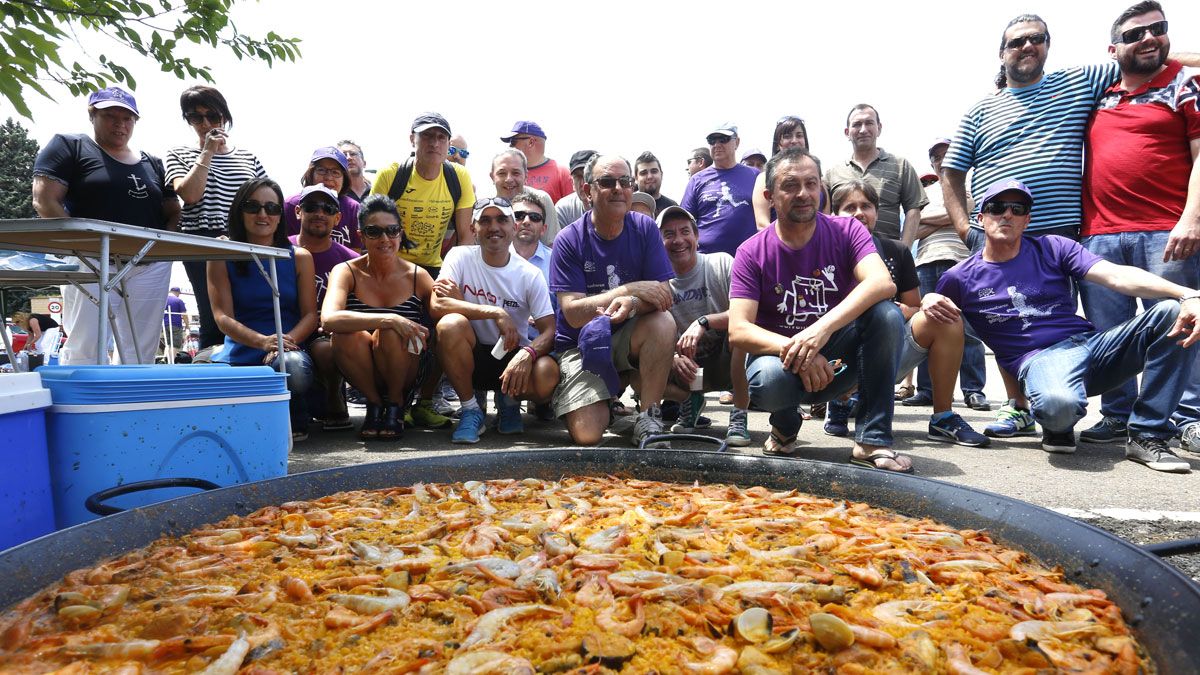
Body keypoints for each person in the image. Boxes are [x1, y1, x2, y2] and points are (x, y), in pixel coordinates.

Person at [938, 178, 1200, 473]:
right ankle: (1056, 422)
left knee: (1171, 311)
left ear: (1027, 220)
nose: (1006, 214)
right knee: (1058, 405)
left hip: (1090, 346)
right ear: (981, 218)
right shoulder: (958, 277)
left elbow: (1115, 275)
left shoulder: (1053, 247)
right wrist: (926, 303)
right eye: (997, 207)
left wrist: (1188, 294)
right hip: (1040, 361)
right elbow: (934, 326)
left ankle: (1147, 433)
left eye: (1017, 208)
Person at [728, 147, 913, 473]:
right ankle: (784, 426)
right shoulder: (751, 251)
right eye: (790, 185)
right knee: (768, 379)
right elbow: (738, 329)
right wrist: (800, 350)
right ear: (770, 196)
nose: (803, 193)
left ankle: (872, 438)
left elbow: (882, 283)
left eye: (811, 184)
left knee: (887, 314)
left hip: (839, 359)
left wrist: (820, 330)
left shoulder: (848, 230)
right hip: (781, 363)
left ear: (821, 189)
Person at [1080, 1, 1200, 449]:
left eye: (1158, 29)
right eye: (1134, 35)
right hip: (1099, 234)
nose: (1148, 38)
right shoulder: (1100, 92)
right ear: (1114, 48)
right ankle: (1117, 415)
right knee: (1111, 335)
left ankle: (1186, 417)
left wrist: (1192, 218)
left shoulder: (1184, 84)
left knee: (1181, 324)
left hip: (1167, 231)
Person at [825, 180, 988, 447]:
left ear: (877, 212)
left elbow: (914, 305)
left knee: (945, 316)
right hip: (840, 360)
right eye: (849, 207)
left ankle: (942, 417)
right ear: (834, 215)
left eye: (866, 205)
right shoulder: (824, 253)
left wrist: (906, 309)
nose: (859, 213)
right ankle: (839, 399)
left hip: (887, 349)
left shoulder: (896, 251)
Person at [32, 86, 180, 366]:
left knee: (140, 350)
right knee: (85, 345)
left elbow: (172, 211)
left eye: (127, 118)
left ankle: (133, 405)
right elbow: (44, 200)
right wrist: (80, 246)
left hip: (149, 264)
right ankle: (80, 406)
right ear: (92, 116)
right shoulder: (70, 145)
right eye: (110, 116)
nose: (120, 124)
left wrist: (163, 248)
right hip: (90, 259)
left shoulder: (153, 163)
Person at [548, 154, 677, 448]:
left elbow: (662, 295)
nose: (617, 188)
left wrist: (633, 303)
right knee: (587, 435)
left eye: (625, 181)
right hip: (581, 344)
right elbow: (572, 314)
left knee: (662, 322)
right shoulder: (569, 239)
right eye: (606, 182)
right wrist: (629, 289)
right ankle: (609, 402)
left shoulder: (645, 229)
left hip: (628, 337)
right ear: (587, 191)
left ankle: (649, 415)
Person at [370, 113, 476, 428]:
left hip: (434, 266)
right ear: (412, 140)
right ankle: (396, 401)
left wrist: (456, 277)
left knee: (442, 327)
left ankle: (426, 401)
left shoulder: (458, 177)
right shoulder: (392, 175)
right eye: (426, 136)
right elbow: (373, 226)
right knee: (393, 334)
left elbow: (465, 235)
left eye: (441, 137)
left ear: (447, 143)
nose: (434, 143)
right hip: (393, 264)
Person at [432, 197, 559, 443]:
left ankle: (508, 401)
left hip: (511, 356)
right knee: (449, 325)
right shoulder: (459, 256)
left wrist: (528, 355)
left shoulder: (529, 274)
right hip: (472, 352)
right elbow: (437, 304)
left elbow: (549, 330)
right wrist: (495, 312)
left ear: (513, 227)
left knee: (547, 372)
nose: (494, 227)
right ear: (473, 229)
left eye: (502, 219)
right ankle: (471, 409)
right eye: (485, 220)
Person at [207, 178, 317, 442]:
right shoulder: (220, 253)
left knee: (294, 367)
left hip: (286, 350)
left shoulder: (300, 257)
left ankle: (295, 413)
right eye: (253, 206)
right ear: (238, 210)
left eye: (272, 208)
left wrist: (281, 344)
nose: (263, 214)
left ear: (281, 216)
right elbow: (222, 316)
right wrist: (263, 342)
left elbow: (311, 315)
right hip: (242, 348)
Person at [321, 195, 434, 441]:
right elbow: (328, 319)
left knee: (391, 333)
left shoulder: (419, 276)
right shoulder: (347, 271)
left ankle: (395, 403)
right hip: (364, 371)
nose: (385, 239)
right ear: (361, 235)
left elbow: (441, 314)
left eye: (392, 231)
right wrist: (390, 318)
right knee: (346, 334)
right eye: (374, 232)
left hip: (405, 368)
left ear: (400, 234)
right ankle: (374, 404)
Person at [166, 85, 266, 355]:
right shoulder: (179, 154)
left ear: (225, 115)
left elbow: (266, 201)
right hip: (201, 242)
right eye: (196, 117)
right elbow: (190, 194)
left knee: (250, 311)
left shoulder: (248, 158)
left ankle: (250, 372)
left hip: (243, 242)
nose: (206, 124)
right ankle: (210, 376)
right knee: (213, 317)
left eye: (213, 115)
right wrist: (207, 152)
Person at [902, 138, 989, 411]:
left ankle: (973, 389)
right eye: (936, 157)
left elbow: (968, 209)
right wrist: (951, 216)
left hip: (961, 260)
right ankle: (928, 390)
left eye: (946, 154)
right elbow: (913, 229)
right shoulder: (923, 193)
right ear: (931, 162)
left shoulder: (963, 187)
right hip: (926, 260)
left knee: (968, 327)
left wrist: (931, 219)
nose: (941, 160)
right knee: (929, 322)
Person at [657, 206, 752, 447]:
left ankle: (739, 414)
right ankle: (690, 402)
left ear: (697, 237)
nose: (678, 240)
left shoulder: (721, 263)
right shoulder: (656, 283)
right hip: (688, 368)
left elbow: (746, 314)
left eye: (684, 231)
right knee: (647, 363)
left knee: (740, 334)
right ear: (659, 242)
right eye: (668, 234)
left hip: (725, 361)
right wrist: (670, 357)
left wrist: (704, 322)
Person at [289, 184, 359, 432]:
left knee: (327, 349)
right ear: (298, 211)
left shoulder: (351, 259)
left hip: (326, 335)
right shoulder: (278, 249)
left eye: (328, 208)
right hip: (287, 332)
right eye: (311, 207)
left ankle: (334, 398)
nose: (320, 213)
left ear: (337, 218)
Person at [824, 104, 926, 245]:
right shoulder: (832, 173)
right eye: (857, 125)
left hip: (888, 256)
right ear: (847, 132)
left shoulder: (901, 166)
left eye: (869, 123)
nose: (863, 129)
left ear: (879, 128)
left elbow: (913, 210)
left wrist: (904, 252)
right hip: (843, 254)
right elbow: (823, 217)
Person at [680, 123, 760, 256]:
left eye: (723, 139)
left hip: (748, 261)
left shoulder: (755, 176)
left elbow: (770, 219)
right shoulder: (697, 180)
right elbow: (683, 221)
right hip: (705, 261)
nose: (717, 144)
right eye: (712, 140)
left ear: (737, 142)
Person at [753, 115, 826, 229]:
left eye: (799, 135)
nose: (794, 140)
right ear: (778, 144)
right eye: (787, 136)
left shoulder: (819, 179)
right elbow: (762, 224)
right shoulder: (763, 179)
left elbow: (827, 220)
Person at [283, 147, 363, 250]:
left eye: (335, 172)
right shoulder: (291, 204)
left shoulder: (353, 209)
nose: (329, 177)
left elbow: (356, 255)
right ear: (311, 174)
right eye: (321, 170)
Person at [490, 149, 559, 246]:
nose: (509, 179)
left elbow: (552, 244)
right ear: (492, 177)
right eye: (502, 173)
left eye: (516, 173)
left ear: (526, 176)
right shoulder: (486, 208)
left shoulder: (542, 199)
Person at [501, 121, 573, 203]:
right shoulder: (509, 176)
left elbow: (573, 210)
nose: (510, 146)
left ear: (531, 142)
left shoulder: (562, 172)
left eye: (513, 141)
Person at [510, 191, 553, 283]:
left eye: (535, 217)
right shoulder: (494, 258)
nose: (526, 221)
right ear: (508, 223)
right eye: (519, 216)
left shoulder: (556, 261)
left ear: (543, 229)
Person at [555, 150, 598, 227]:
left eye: (587, 175)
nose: (583, 183)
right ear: (572, 183)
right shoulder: (564, 209)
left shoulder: (613, 203)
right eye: (578, 177)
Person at [634, 151, 678, 216]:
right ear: (636, 178)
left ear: (661, 175)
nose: (649, 176)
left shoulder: (672, 208)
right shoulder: (628, 205)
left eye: (654, 171)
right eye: (643, 173)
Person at [162, 286, 189, 354]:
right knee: (175, 345)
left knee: (167, 344)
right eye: (179, 293)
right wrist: (187, 325)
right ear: (177, 292)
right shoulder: (178, 300)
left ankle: (165, 359)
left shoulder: (163, 300)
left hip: (164, 324)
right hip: (175, 325)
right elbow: (184, 315)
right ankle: (172, 361)